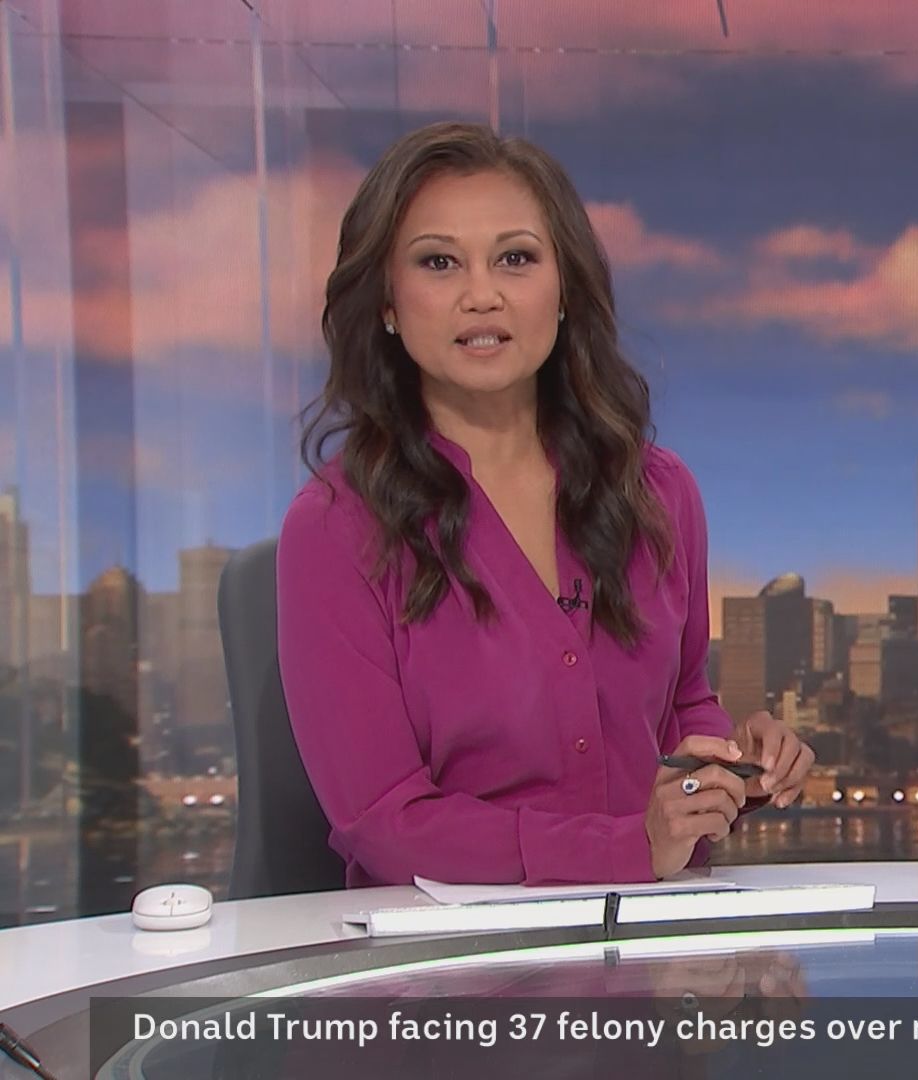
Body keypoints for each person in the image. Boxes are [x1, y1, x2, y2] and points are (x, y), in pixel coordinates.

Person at [279, 121, 814, 887]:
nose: (482, 296)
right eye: (439, 262)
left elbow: (682, 708)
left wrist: (728, 767)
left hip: (651, 937)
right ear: (388, 302)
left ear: (564, 290)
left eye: (516, 258)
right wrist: (627, 849)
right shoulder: (335, 528)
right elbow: (383, 820)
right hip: (445, 949)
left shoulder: (659, 495)